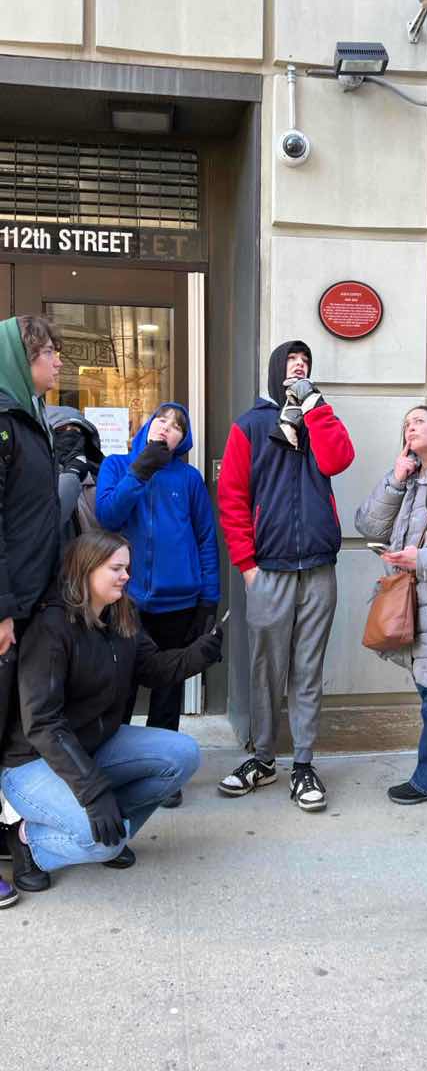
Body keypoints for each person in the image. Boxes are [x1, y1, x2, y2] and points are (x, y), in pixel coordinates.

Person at [0, 530, 223, 892]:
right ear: (86, 570)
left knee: (183, 754)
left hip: (91, 745)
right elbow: (42, 724)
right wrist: (94, 793)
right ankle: (27, 840)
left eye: (127, 568)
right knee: (101, 838)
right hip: (33, 762)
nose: (126, 576)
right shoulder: (51, 628)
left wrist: (199, 654)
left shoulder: (121, 614)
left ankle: (110, 832)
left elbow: (152, 668)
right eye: (116, 568)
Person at [217, 340, 354, 811]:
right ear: (276, 370)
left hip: (318, 567)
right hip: (268, 570)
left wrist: (316, 407)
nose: (300, 368)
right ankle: (261, 758)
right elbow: (232, 497)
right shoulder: (252, 425)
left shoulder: (321, 421)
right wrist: (248, 567)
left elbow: (338, 460)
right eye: (293, 363)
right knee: (265, 670)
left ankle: (303, 764)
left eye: (306, 364)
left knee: (308, 670)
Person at [354, 406, 427, 841]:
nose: (411, 427)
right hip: (410, 602)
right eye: (406, 424)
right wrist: (395, 478)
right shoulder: (407, 479)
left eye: (419, 421)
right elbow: (367, 523)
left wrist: (419, 559)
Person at [96, 402, 220, 807]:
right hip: (125, 600)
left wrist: (209, 596)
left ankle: (164, 773)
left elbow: (205, 537)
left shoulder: (189, 479)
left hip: (179, 601)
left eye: (177, 426)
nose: (168, 428)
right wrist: (140, 471)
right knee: (120, 689)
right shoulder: (118, 466)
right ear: (148, 425)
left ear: (183, 440)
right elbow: (108, 517)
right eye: (162, 420)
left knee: (168, 691)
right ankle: (116, 768)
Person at [0, 314, 63, 908]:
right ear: (25, 359)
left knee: (22, 730)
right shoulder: (2, 419)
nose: (59, 362)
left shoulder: (30, 418)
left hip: (33, 602)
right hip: (6, 607)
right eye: (50, 352)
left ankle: (19, 840)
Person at [46, 405, 104, 544]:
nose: (70, 434)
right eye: (61, 430)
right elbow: (47, 524)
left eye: (76, 430)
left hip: (91, 560)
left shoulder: (101, 478)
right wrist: (72, 474)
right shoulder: (36, 478)